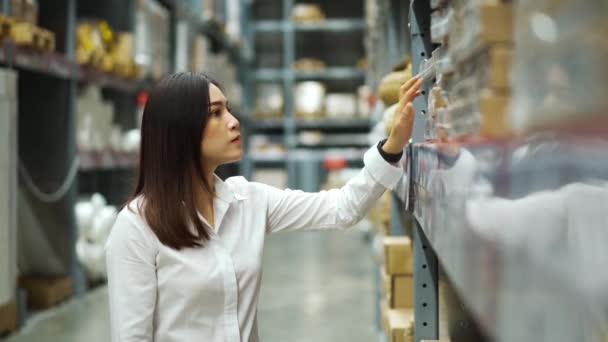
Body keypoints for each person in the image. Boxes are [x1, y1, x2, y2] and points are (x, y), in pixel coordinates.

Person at [105, 71, 423, 342]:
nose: (233, 122)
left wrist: (393, 145)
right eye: (215, 113)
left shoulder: (247, 201)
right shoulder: (137, 227)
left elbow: (341, 208)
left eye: (228, 109)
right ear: (180, 130)